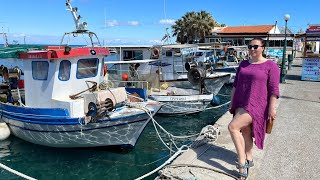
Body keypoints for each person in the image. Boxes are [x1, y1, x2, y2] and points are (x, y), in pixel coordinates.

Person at [228, 37, 280, 179]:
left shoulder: (271, 66)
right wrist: (232, 102)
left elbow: (274, 89)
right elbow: (235, 85)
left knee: (233, 127)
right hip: (240, 101)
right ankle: (249, 158)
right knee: (245, 130)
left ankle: (241, 162)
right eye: (250, 46)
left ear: (263, 47)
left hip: (257, 104)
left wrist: (272, 109)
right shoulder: (243, 64)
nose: (252, 49)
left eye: (255, 46)